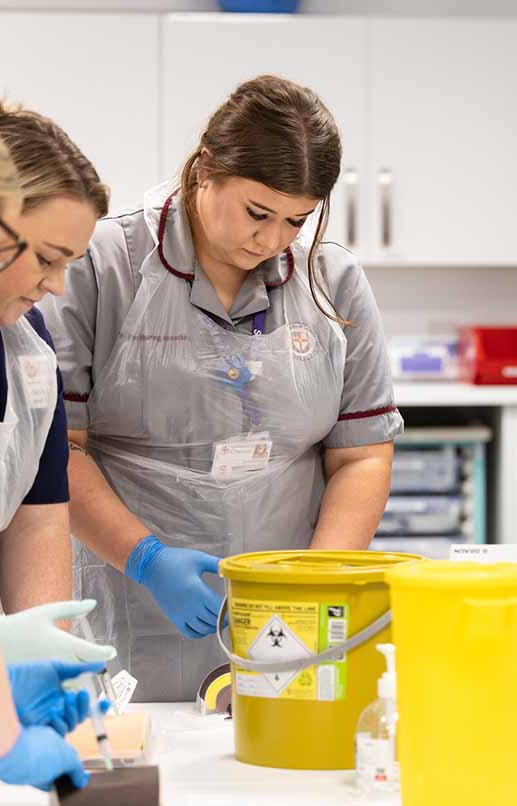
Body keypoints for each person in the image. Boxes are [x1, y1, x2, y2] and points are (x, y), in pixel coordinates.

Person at [44, 75, 402, 701]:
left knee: (276, 746)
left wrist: (311, 584)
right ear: (206, 166)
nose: (272, 240)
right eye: (257, 213)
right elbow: (57, 452)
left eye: (297, 220)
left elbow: (362, 455)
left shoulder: (331, 279)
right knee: (138, 745)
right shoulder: (103, 265)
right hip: (131, 593)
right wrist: (146, 559)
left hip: (284, 610)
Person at [0, 112, 96, 793]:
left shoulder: (28, 347)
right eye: (45, 258)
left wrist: (35, 661)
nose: (55, 285)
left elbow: (38, 515)